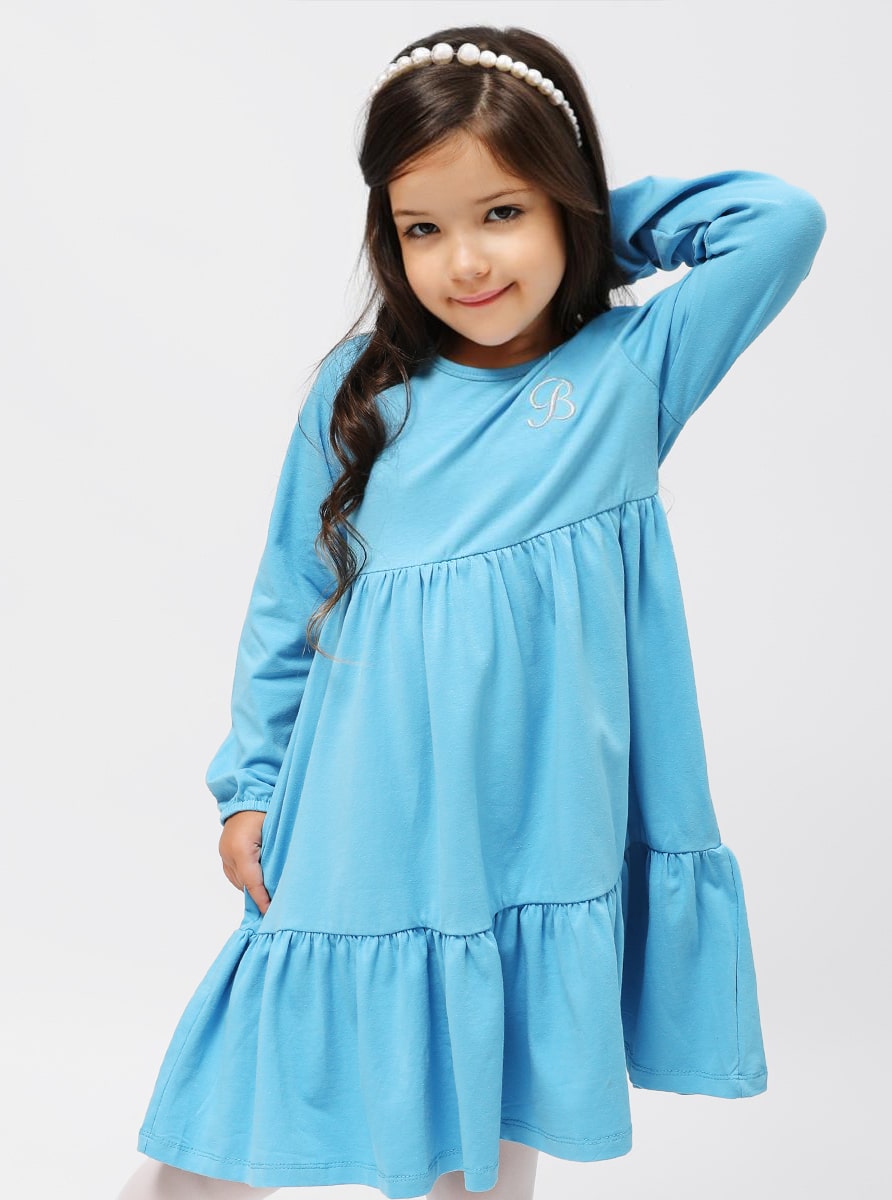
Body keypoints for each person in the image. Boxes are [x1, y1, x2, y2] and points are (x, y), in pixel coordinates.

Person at [116, 22, 827, 1200]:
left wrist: (588, 225)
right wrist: (251, 786)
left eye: (502, 212)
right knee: (245, 1092)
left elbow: (780, 221)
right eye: (423, 228)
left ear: (563, 203)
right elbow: (289, 603)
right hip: (363, 810)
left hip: (537, 820)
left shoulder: (626, 371)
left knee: (494, 1100)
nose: (466, 262)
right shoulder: (362, 397)